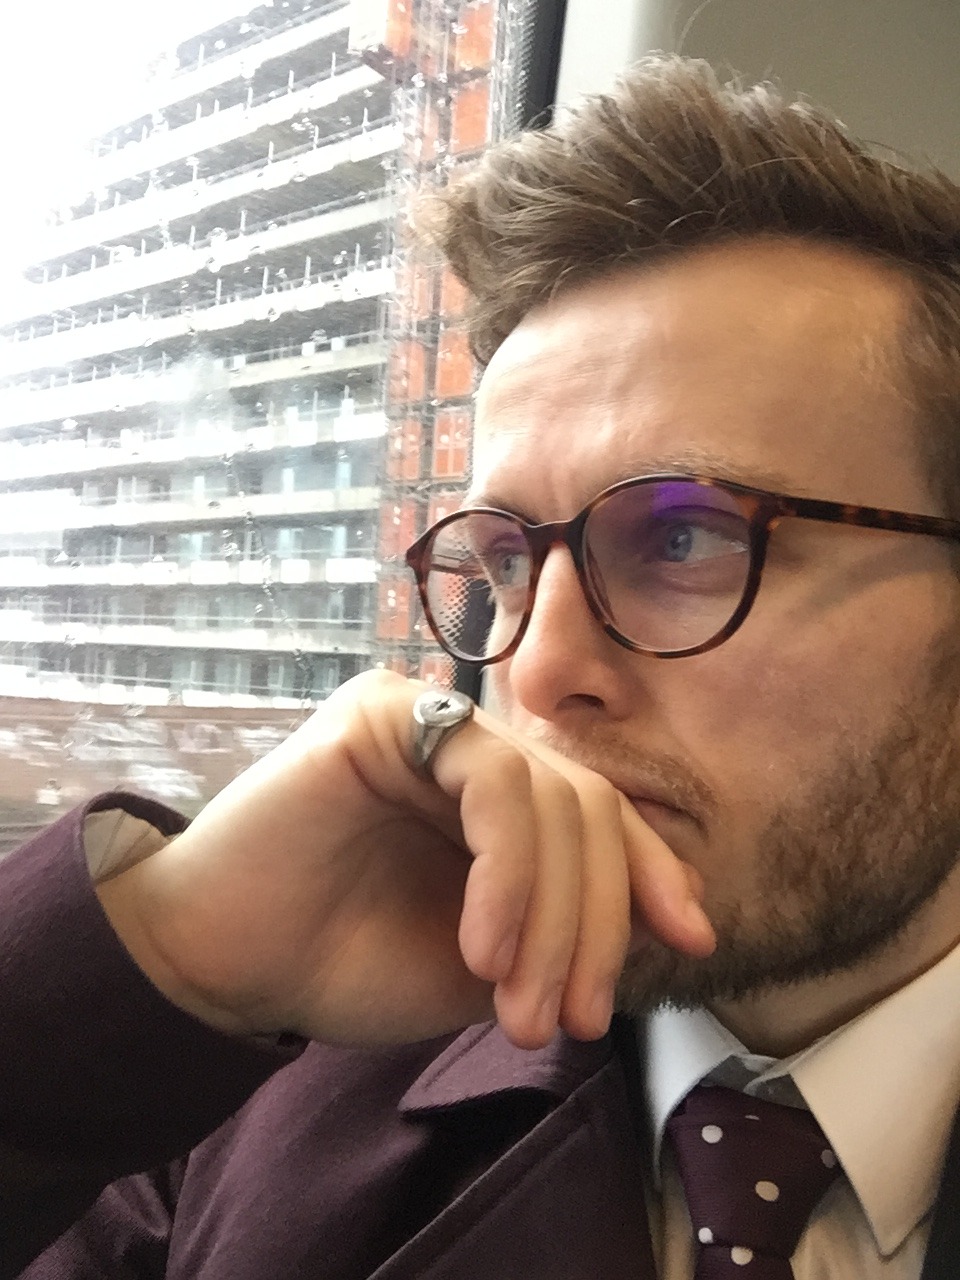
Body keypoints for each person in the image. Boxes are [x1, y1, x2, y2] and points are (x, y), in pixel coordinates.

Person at [5, 53, 960, 1280]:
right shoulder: (239, 1096)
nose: (539, 668)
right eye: (507, 561)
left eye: (686, 537)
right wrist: (165, 953)